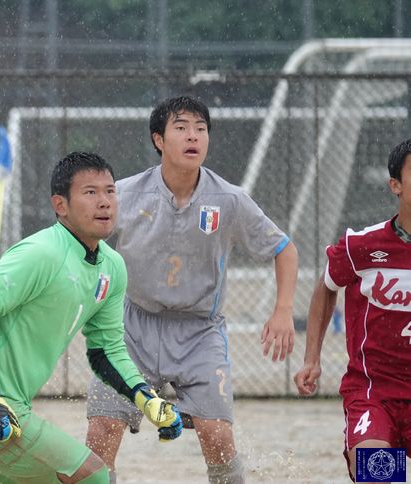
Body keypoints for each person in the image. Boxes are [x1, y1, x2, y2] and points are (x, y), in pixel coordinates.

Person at [85, 96, 299, 484]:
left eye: (201, 128)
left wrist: (283, 310)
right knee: (101, 432)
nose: (193, 136)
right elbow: (80, 237)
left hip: (200, 331)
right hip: (130, 327)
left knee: (217, 436)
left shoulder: (229, 199)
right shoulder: (125, 194)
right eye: (181, 127)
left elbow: (283, 248)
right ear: (158, 139)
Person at [0, 151, 183, 484]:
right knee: (93, 476)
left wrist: (146, 398)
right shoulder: (41, 252)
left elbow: (106, 352)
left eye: (110, 191)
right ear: (60, 205)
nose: (105, 202)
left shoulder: (112, 267)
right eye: (90, 192)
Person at [294, 139, 411, 481]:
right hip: (374, 392)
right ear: (396, 185)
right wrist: (311, 359)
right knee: (379, 476)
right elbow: (325, 289)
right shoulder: (361, 246)